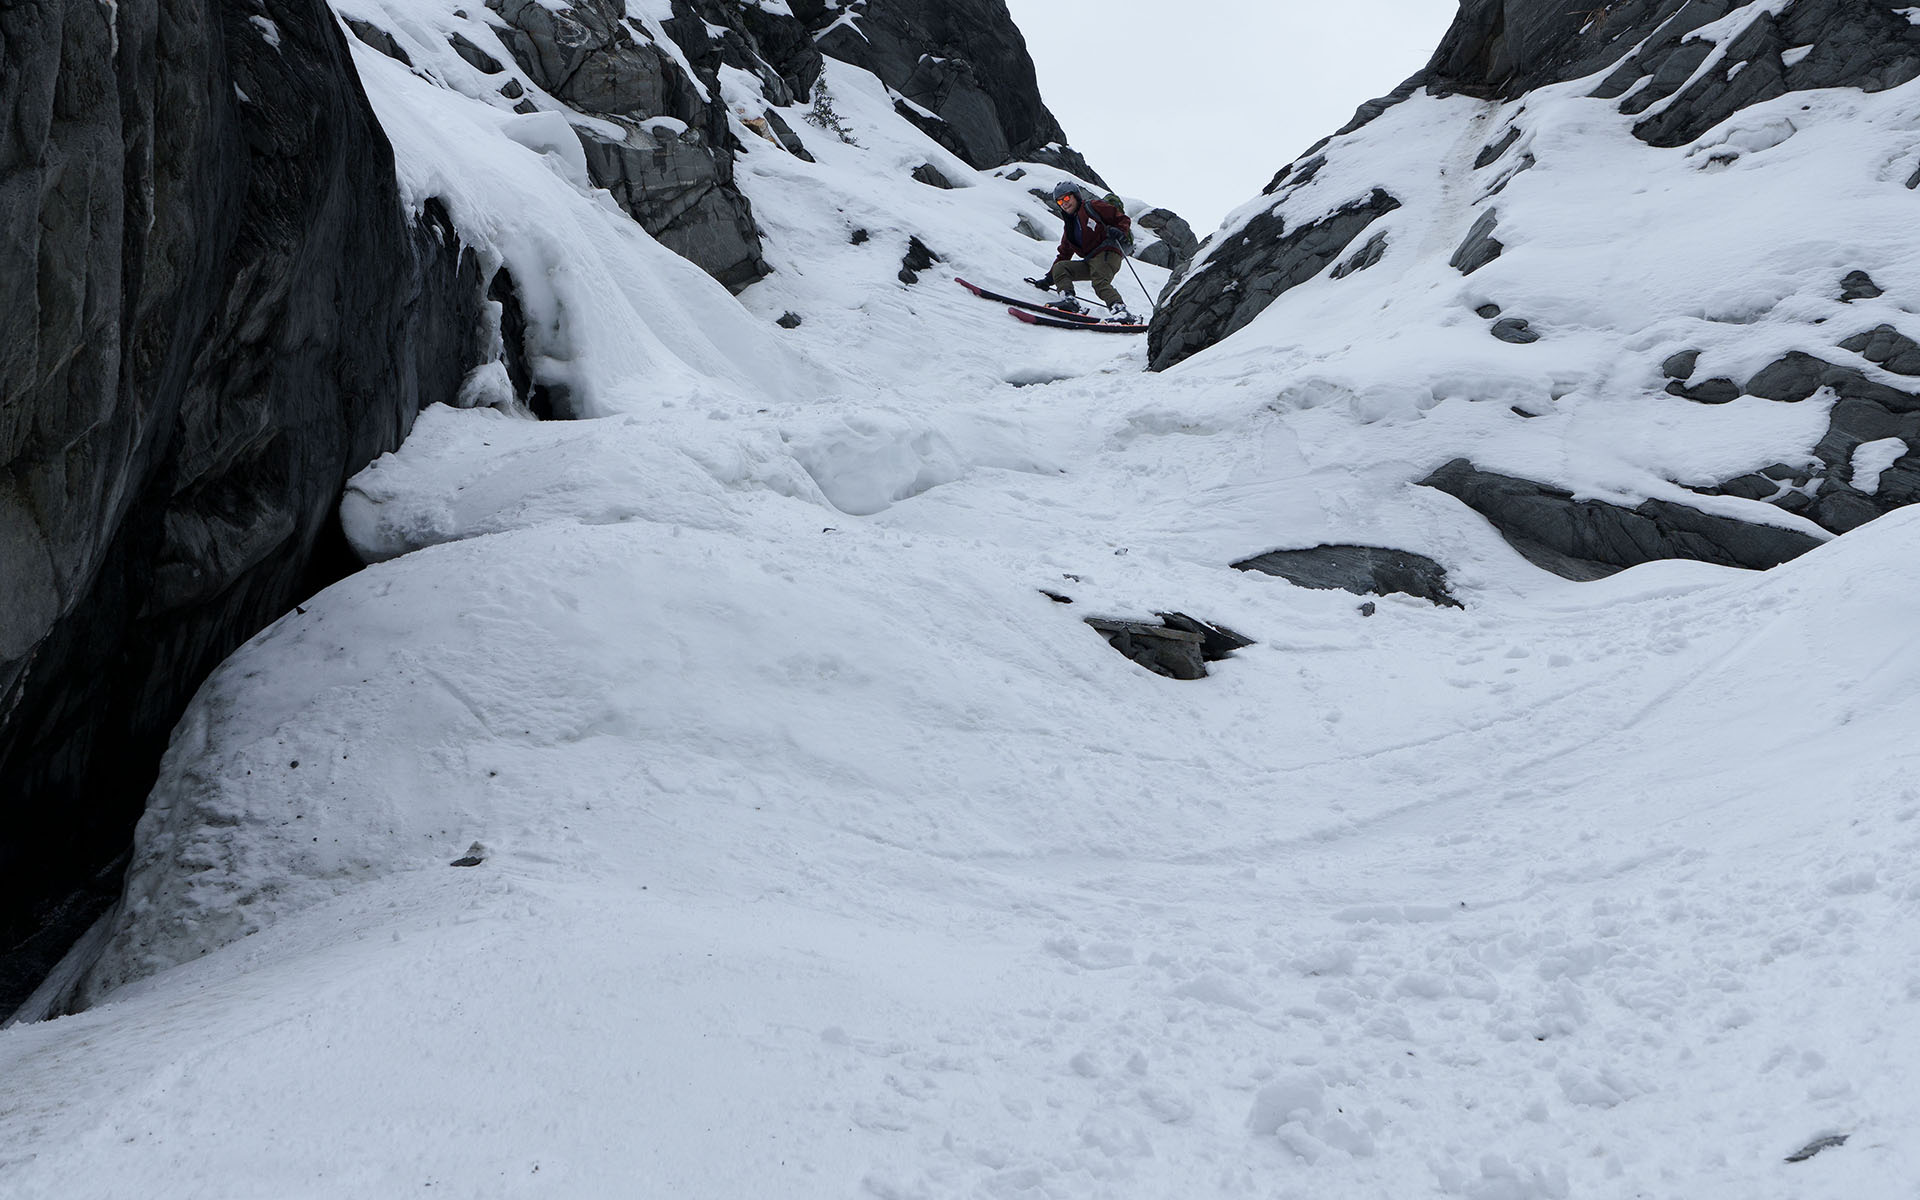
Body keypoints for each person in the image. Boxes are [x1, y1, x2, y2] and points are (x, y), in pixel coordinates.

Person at [1045, 180, 1136, 322]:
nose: (1064, 203)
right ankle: (1069, 301)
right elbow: (1064, 254)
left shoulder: (1092, 207)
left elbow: (1121, 218)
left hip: (1107, 252)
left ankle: (1122, 312)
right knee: (1061, 267)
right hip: (1090, 260)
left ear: (1076, 196)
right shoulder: (1069, 227)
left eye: (1067, 198)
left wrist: (1119, 231)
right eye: (1060, 201)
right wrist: (1049, 279)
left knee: (1099, 282)